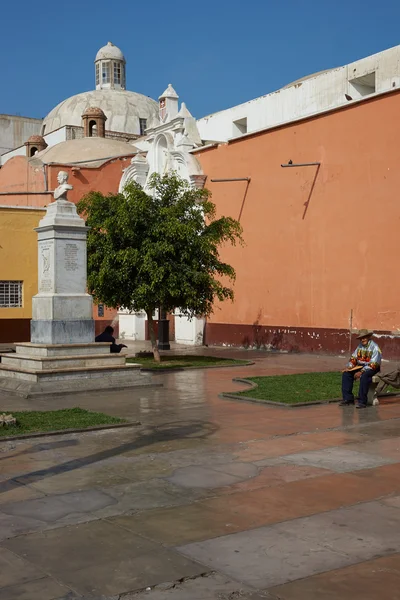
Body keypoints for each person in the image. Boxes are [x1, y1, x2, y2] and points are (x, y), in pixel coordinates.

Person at [340, 329, 382, 409]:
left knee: (364, 376)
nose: (362, 339)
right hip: (361, 366)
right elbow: (354, 358)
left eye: (364, 337)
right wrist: (350, 366)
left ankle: (362, 401)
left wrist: (361, 371)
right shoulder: (359, 346)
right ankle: (348, 399)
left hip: (372, 367)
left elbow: (374, 363)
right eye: (361, 338)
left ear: (368, 337)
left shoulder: (375, 347)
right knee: (346, 374)